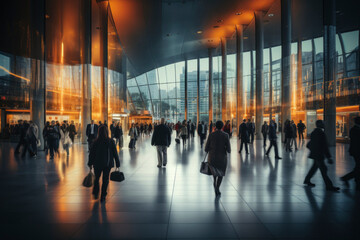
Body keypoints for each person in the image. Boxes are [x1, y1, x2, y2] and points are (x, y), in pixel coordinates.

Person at [303, 120, 340, 191]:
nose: (324, 124)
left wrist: (313, 151)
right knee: (323, 170)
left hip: (315, 154)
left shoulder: (314, 132)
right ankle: (329, 186)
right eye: (323, 123)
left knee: (314, 168)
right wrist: (329, 157)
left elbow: (310, 144)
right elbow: (324, 146)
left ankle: (307, 180)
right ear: (319, 124)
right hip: (319, 155)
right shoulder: (321, 133)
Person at [88, 125, 120, 202]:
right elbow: (115, 153)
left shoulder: (95, 141)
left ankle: (96, 193)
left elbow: (91, 153)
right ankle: (103, 196)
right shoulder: (110, 141)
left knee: (97, 178)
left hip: (97, 164)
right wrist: (117, 163)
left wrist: (90, 163)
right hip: (107, 164)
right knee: (105, 180)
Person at [205, 121, 231, 196]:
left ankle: (215, 184)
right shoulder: (226, 135)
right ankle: (217, 187)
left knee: (214, 173)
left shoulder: (211, 135)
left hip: (212, 157)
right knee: (221, 173)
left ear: (215, 126)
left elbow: (206, 148)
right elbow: (229, 149)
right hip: (222, 158)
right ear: (222, 126)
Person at [340, 116, 360, 191]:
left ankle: (353, 179)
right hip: (356, 151)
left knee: (358, 167)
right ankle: (346, 178)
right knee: (358, 167)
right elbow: (356, 142)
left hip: (356, 151)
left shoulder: (354, 129)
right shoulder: (354, 130)